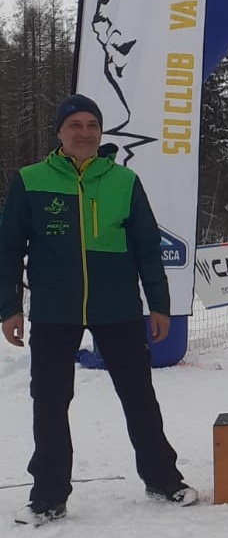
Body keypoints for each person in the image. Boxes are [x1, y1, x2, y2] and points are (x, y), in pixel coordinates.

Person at [0, 94, 197, 526]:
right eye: (75, 125)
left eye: (92, 125)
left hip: (119, 307)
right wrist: (10, 307)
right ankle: (48, 495)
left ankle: (162, 478)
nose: (85, 132)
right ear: (59, 133)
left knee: (139, 397)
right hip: (54, 309)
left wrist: (159, 305)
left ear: (100, 132)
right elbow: (9, 248)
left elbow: (147, 248)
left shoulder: (124, 180)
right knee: (50, 402)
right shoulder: (30, 180)